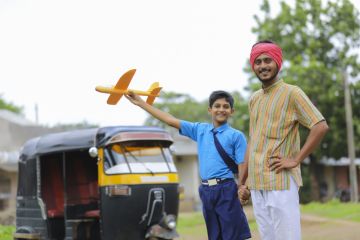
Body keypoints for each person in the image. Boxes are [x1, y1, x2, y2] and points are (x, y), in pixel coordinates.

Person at [125, 90, 251, 240]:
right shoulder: (200, 130)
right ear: (210, 109)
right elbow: (170, 120)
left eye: (226, 106)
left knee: (233, 235)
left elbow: (243, 163)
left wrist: (242, 186)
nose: (221, 109)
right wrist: (141, 103)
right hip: (206, 190)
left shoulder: (236, 136)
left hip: (226, 189)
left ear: (232, 111)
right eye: (217, 106)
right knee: (215, 235)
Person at [238, 40, 329, 240]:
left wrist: (296, 159)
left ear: (278, 62)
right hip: (258, 184)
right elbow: (253, 141)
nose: (262, 66)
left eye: (268, 60)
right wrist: (242, 182)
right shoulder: (254, 98)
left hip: (280, 180)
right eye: (258, 61)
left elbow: (320, 126)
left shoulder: (292, 92)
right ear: (253, 65)